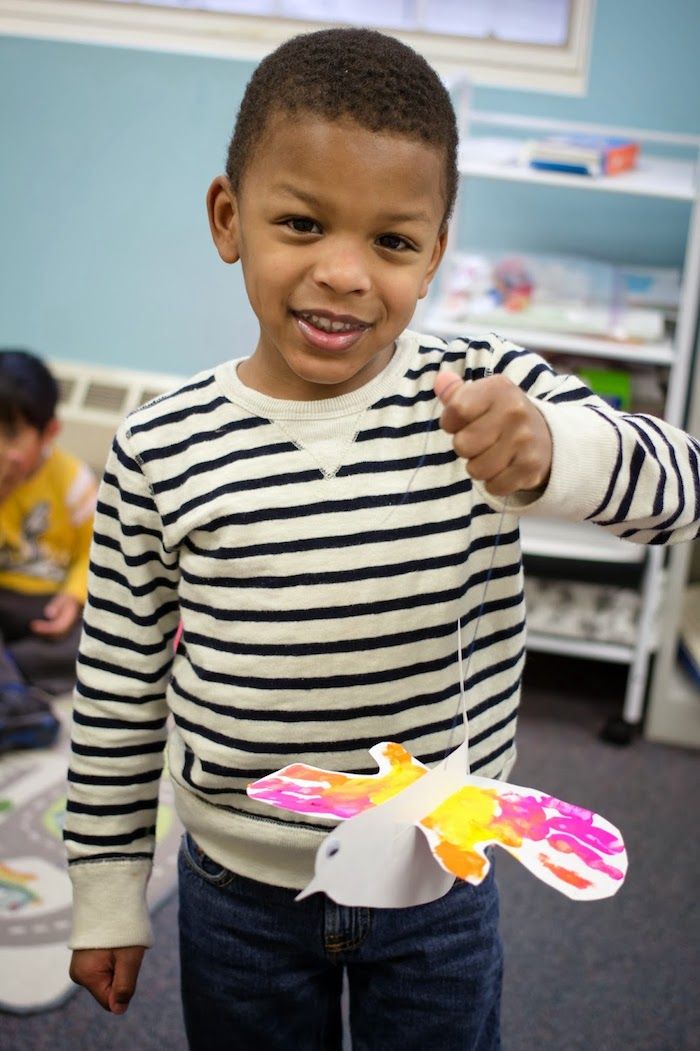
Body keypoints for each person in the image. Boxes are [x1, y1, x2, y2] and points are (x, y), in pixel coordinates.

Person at [65, 28, 700, 1051]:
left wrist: (553, 456)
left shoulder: (485, 389)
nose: (346, 274)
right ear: (230, 218)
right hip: (238, 895)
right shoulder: (157, 445)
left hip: (435, 883)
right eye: (303, 223)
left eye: (392, 243)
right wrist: (104, 893)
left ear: (435, 250)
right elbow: (117, 684)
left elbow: (682, 491)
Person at [0, 350, 96, 751]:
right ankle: (16, 701)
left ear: (49, 433)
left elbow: (96, 554)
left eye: (11, 435)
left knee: (97, 641)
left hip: (46, 604)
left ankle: (11, 684)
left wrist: (73, 599)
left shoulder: (73, 481)